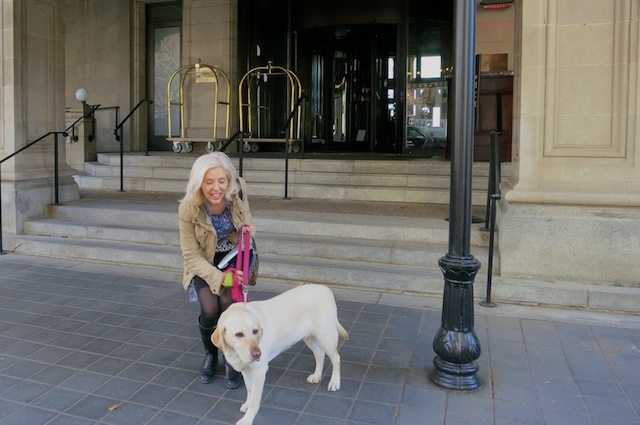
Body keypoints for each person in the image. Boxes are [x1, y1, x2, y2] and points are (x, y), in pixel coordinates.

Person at [178, 152, 256, 387]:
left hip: (234, 257)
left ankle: (231, 358)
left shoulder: (237, 191)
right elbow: (191, 255)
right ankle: (211, 353)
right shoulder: (189, 208)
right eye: (209, 182)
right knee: (210, 309)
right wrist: (221, 277)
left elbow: (245, 219)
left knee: (228, 305)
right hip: (205, 261)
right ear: (199, 181)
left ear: (229, 179)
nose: (216, 187)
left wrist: (248, 229)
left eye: (221, 181)